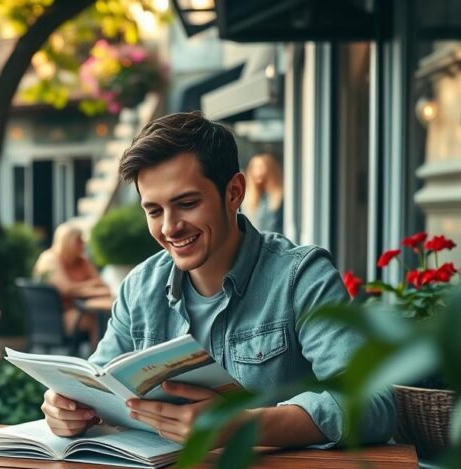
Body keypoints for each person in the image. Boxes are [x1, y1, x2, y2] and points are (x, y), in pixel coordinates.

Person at [41, 111, 394, 450]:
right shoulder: (139, 288)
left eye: (187, 203)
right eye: (154, 211)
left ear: (234, 192)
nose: (169, 227)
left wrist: (243, 426)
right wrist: (68, 409)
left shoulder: (301, 277)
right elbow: (96, 383)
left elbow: (374, 406)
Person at [33, 223, 110, 347]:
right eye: (79, 241)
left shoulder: (81, 261)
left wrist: (84, 287)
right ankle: (99, 361)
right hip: (57, 317)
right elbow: (66, 289)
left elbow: (102, 285)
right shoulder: (50, 259)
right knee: (98, 320)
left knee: (110, 316)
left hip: (81, 310)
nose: (83, 245)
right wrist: (90, 285)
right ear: (67, 242)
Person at [243, 152, 284, 234]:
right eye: (254, 167)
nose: (257, 171)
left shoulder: (280, 197)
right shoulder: (248, 197)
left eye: (261, 167)